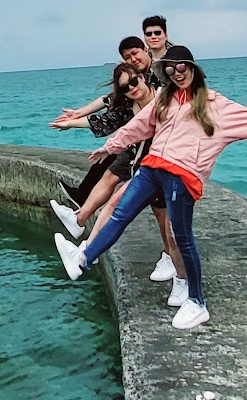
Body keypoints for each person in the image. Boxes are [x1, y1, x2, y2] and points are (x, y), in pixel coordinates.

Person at [53, 45, 247, 330]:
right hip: (151, 168)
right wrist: (110, 147)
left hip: (182, 176)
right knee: (119, 215)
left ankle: (197, 302)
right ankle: (82, 260)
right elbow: (138, 126)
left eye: (180, 67)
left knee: (181, 238)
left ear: (191, 68)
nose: (176, 73)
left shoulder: (215, 105)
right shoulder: (164, 99)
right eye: (170, 69)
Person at [49, 70, 184, 288]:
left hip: (167, 168)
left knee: (170, 228)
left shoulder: (163, 98)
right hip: (148, 168)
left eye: (134, 82)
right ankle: (84, 251)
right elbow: (116, 122)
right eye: (125, 87)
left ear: (144, 78)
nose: (132, 88)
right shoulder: (130, 106)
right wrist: (75, 123)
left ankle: (183, 281)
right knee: (117, 207)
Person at [53, 37, 151, 207]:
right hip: (138, 142)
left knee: (112, 168)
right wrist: (77, 115)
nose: (133, 59)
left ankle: (82, 203)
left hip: (155, 149)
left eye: (135, 53)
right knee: (108, 155)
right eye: (127, 57)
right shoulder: (129, 89)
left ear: (146, 50)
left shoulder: (158, 78)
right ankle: (82, 199)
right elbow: (108, 106)